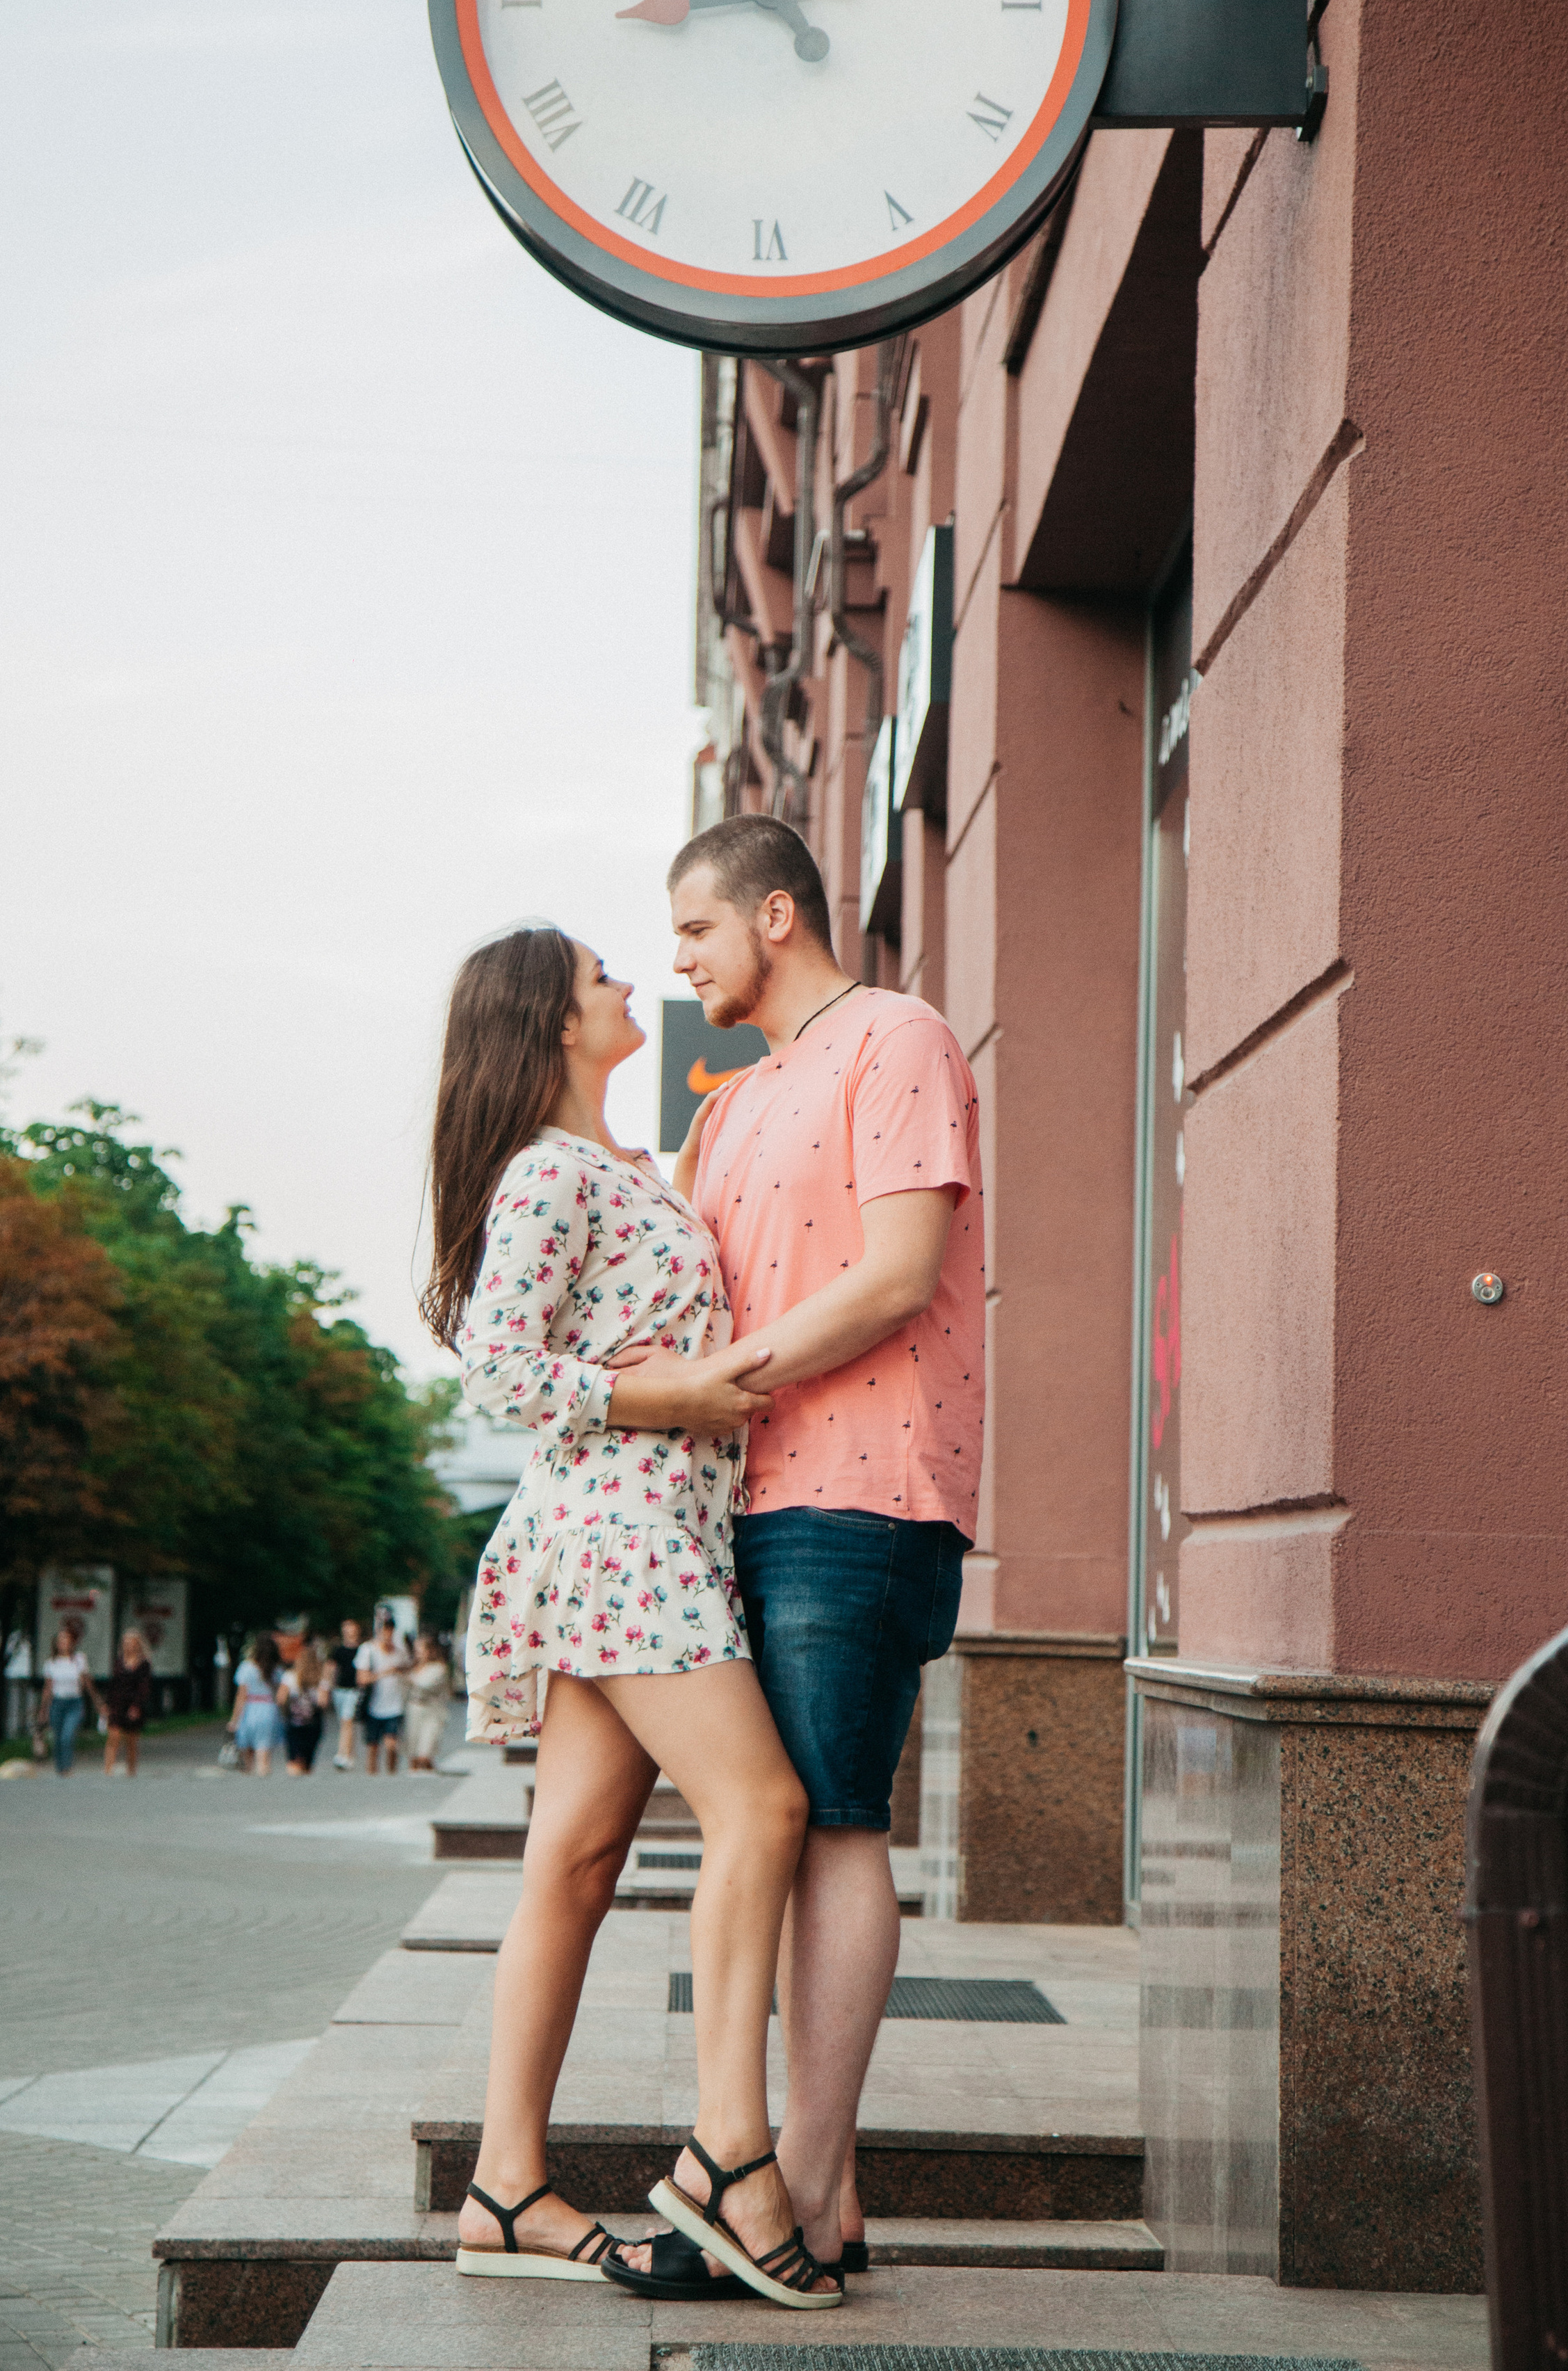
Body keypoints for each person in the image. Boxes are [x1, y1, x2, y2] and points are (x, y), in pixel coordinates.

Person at [419, 922, 837, 2309]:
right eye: (598, 973)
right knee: (762, 1809)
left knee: (578, 1860)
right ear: (549, 1020)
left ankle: (503, 2185)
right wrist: (665, 1394)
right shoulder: (548, 1172)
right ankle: (731, 2158)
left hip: (639, 1531)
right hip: (623, 1531)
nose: (622, 987)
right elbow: (497, 1364)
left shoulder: (614, 1164)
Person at [665, 814, 984, 2284]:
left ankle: (785, 2185)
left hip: (862, 1493)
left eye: (694, 932)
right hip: (739, 1499)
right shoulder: (727, 1104)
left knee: (835, 1818)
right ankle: (821, 2199)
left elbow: (900, 1272)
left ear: (773, 914)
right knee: (776, 1828)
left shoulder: (896, 1038)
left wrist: (716, 1380)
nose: (680, 960)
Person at [38, 1623, 99, 1776]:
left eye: (66, 1641)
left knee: (68, 1735)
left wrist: (97, 1701)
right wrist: (43, 1709)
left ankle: (67, 1766)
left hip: (74, 1702)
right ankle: (60, 1767)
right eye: (61, 1641)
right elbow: (48, 1689)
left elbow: (87, 1683)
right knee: (58, 1737)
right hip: (57, 1703)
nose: (63, 1644)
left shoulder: (79, 1660)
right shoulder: (51, 1663)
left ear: (72, 1643)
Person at [355, 1609, 411, 1775]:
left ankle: (391, 1774)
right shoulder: (368, 1650)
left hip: (395, 1705)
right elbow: (362, 1678)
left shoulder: (400, 1652)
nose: (387, 1634)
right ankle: (372, 1775)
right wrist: (385, 1673)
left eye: (390, 1630)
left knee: (392, 1744)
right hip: (374, 1705)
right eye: (384, 1630)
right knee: (373, 1745)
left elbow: (408, 1670)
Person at [229, 1634, 284, 1774]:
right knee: (263, 1752)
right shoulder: (276, 1670)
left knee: (247, 1751)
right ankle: (264, 1777)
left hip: (249, 1709)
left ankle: (248, 1780)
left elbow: (241, 1696)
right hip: (269, 1709)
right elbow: (280, 1695)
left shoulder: (246, 1667)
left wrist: (234, 1720)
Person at [102, 1629, 153, 1776]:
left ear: (138, 1645)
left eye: (131, 1643)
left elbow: (144, 1687)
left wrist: (137, 1706)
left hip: (133, 1705)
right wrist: (107, 1703)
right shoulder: (118, 1662)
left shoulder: (144, 1664)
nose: (128, 1646)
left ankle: (131, 1770)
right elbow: (113, 1684)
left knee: (131, 1740)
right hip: (117, 1703)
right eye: (125, 1643)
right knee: (114, 1736)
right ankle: (108, 1769)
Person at [279, 1643, 330, 1776]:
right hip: (313, 1724)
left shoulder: (290, 1676)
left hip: (294, 1722)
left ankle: (294, 1777)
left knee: (294, 1756)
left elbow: (281, 1698)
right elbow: (323, 1702)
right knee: (308, 1760)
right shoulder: (321, 1679)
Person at [405, 1632, 452, 1771]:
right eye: (416, 1650)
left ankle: (429, 1774)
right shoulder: (414, 1667)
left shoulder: (439, 1668)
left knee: (425, 1753)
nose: (418, 1654)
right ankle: (414, 1780)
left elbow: (424, 1684)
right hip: (414, 1710)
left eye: (421, 1650)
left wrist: (407, 1677)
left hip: (432, 1711)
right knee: (412, 1751)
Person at [328, 1617, 364, 1769]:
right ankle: (350, 1753)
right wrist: (327, 1685)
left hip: (355, 1690)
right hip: (340, 1690)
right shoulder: (338, 1650)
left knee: (347, 1720)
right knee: (346, 1723)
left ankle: (342, 1754)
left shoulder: (362, 1649)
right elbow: (331, 1668)